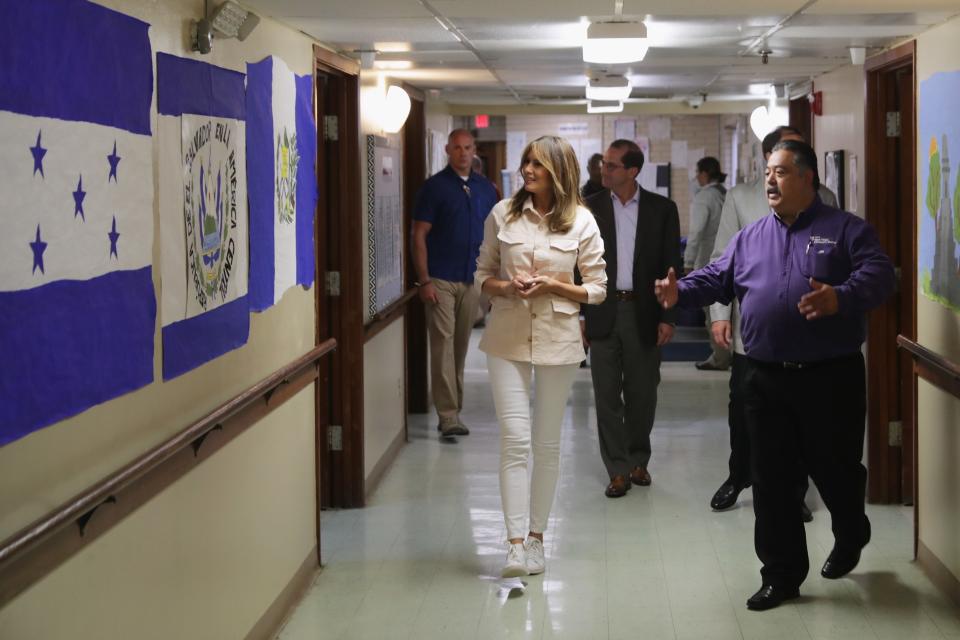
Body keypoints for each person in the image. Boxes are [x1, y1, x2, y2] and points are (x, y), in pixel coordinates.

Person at [655, 139, 894, 611]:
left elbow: (881, 276)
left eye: (781, 172)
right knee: (772, 480)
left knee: (836, 470)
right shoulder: (752, 236)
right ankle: (781, 575)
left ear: (808, 179)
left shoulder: (846, 230)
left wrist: (840, 297)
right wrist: (678, 290)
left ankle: (851, 531)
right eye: (768, 171)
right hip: (764, 378)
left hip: (830, 377)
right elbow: (718, 277)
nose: (770, 180)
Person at [475, 135, 606, 578]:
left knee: (546, 444)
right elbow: (482, 275)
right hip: (507, 336)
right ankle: (513, 544)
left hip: (559, 338)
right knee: (514, 438)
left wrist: (552, 286)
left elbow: (597, 289)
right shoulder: (502, 214)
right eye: (527, 162)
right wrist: (508, 287)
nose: (528, 170)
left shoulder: (582, 222)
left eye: (538, 164)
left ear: (559, 171)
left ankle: (536, 538)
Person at [707, 126, 836, 515]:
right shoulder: (742, 198)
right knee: (744, 413)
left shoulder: (824, 199)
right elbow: (720, 260)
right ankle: (738, 475)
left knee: (798, 416)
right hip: (753, 334)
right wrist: (719, 314)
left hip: (806, 334)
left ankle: (792, 493)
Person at [582, 139, 681, 498]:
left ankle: (639, 459)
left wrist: (669, 316)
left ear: (632, 171)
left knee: (642, 394)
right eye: (603, 164)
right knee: (606, 394)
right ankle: (617, 469)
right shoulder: (588, 209)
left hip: (644, 310)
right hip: (601, 309)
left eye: (611, 166)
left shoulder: (662, 209)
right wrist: (580, 314)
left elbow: (673, 266)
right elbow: (578, 267)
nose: (603, 171)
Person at [412, 129, 498, 438]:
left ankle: (455, 409)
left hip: (473, 278)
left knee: (461, 346)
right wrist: (424, 280)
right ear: (448, 150)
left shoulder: (486, 189)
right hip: (440, 278)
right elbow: (419, 235)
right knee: (442, 345)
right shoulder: (434, 188)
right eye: (457, 148)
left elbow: (496, 236)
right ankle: (448, 415)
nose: (462, 153)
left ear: (474, 150)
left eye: (467, 148)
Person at [684, 156, 730, 372]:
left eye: (698, 172)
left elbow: (696, 232)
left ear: (704, 174)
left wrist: (688, 261)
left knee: (713, 312)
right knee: (729, 310)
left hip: (709, 260)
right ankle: (727, 354)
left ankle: (720, 357)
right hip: (730, 260)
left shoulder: (704, 198)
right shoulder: (725, 194)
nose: (696, 177)